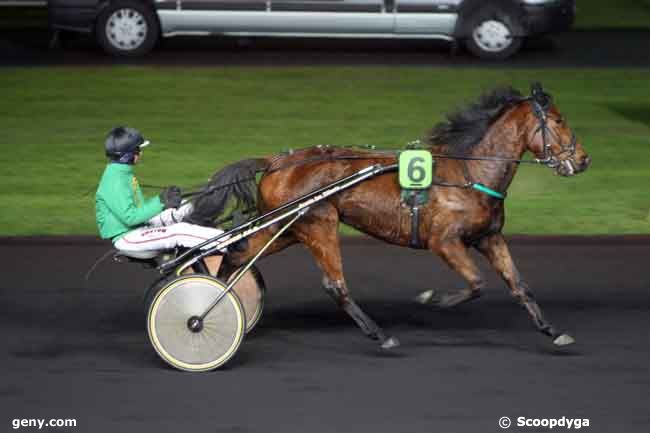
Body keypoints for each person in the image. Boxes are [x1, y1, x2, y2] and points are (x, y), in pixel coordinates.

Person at [95, 126, 226, 253]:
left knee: (186, 206)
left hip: (139, 227)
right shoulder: (115, 180)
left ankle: (221, 235)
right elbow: (130, 217)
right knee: (179, 231)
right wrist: (161, 202)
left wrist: (165, 201)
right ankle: (226, 241)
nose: (140, 153)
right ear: (127, 155)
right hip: (127, 236)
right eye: (137, 150)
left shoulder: (122, 174)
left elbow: (139, 209)